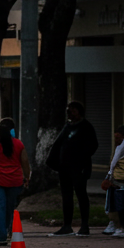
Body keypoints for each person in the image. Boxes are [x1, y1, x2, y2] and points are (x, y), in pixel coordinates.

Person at [47, 100, 99, 237]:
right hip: (64, 168)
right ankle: (67, 226)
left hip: (79, 168)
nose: (69, 113)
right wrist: (54, 161)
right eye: (68, 110)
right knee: (66, 196)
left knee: (81, 195)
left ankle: (84, 225)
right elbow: (58, 144)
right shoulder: (67, 127)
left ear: (79, 112)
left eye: (73, 110)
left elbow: (93, 145)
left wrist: (80, 159)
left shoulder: (86, 127)